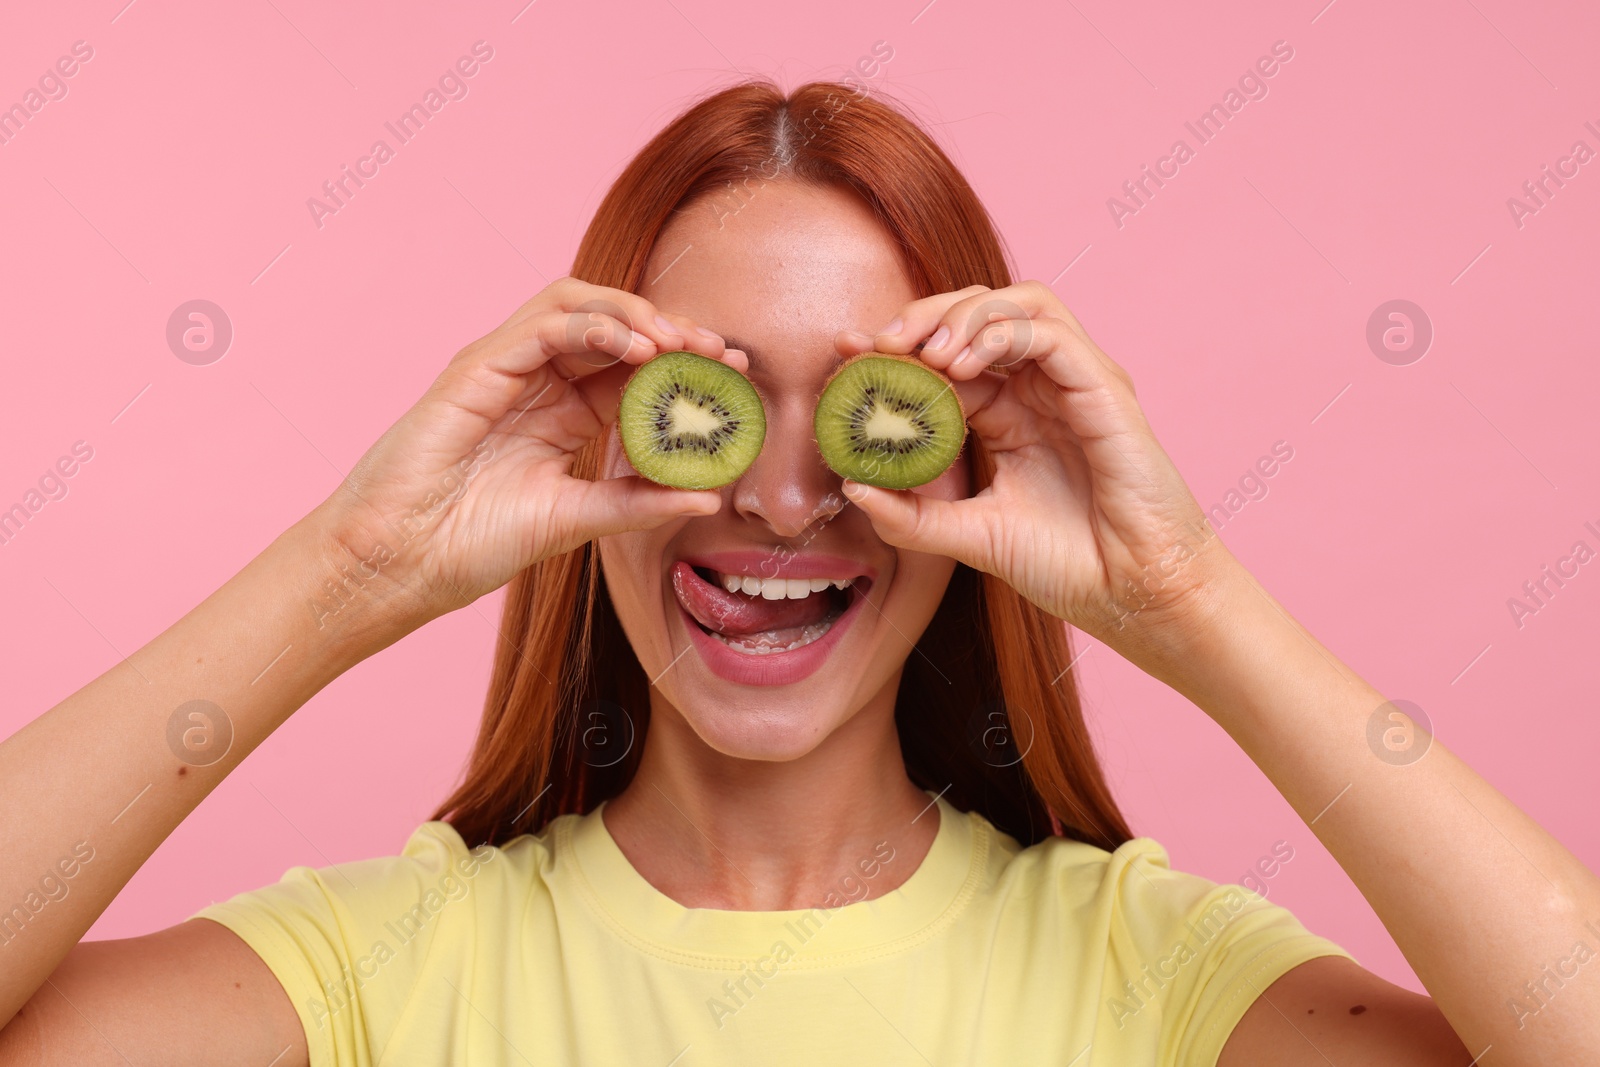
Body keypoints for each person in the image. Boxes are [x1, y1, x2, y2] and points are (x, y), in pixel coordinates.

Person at [1, 78, 1595, 1067]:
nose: (775, 497)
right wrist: (350, 571)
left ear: (968, 456)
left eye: (864, 415)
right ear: (598, 440)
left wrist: (1187, 598)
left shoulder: (1149, 974)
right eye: (708, 409)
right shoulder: (387, 967)